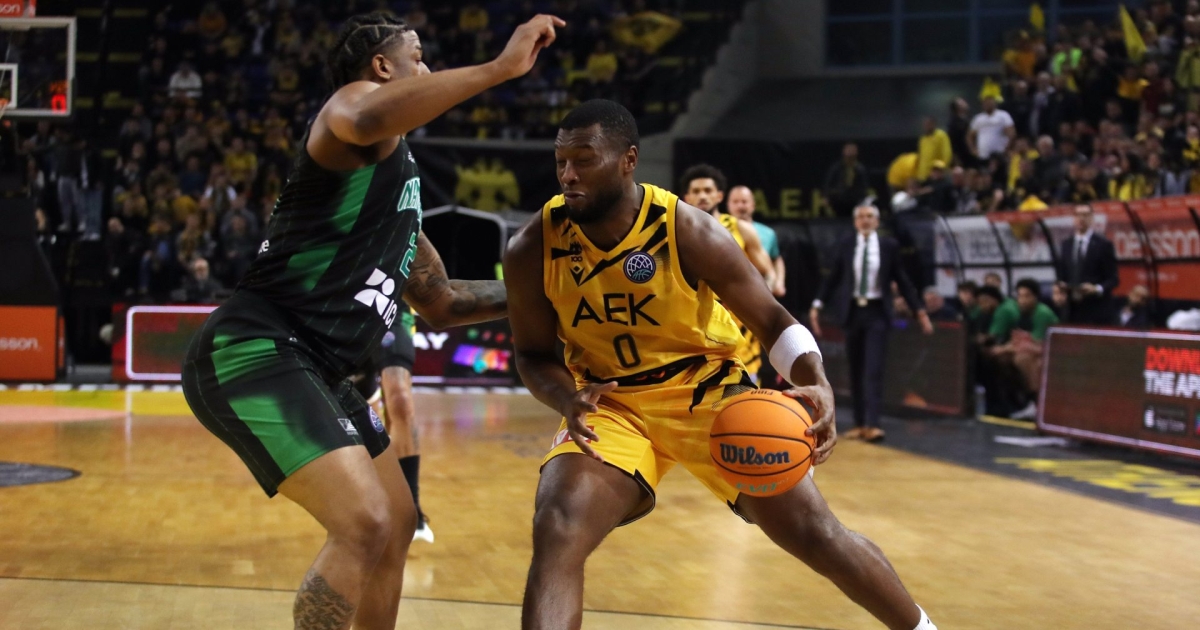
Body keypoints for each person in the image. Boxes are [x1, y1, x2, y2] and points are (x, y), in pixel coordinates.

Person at [180, 12, 559, 630]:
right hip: (255, 348)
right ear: (382, 67)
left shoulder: (398, 184)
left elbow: (441, 300)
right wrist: (498, 69)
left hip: (317, 366)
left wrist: (549, 292)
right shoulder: (349, 108)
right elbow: (364, 118)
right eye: (418, 56)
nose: (428, 69)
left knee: (397, 521)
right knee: (364, 522)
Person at [505, 99, 937, 630]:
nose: (568, 176)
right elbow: (532, 354)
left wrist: (817, 381)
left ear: (628, 160)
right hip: (609, 402)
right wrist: (565, 396)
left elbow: (772, 320)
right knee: (557, 526)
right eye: (561, 162)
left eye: (584, 160)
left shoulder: (688, 230)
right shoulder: (532, 245)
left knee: (814, 534)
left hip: (705, 391)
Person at [809, 204, 932, 442]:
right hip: (853, 311)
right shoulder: (847, 244)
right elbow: (833, 277)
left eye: (869, 217)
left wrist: (919, 311)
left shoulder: (888, 246)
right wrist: (817, 304)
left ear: (877, 221)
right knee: (855, 369)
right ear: (855, 221)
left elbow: (902, 280)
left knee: (873, 369)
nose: (865, 221)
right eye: (861, 217)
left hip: (877, 312)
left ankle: (873, 423)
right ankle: (859, 423)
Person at [679, 164, 775, 384]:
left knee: (746, 394)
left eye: (708, 190)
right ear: (686, 198)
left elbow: (768, 272)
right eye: (696, 191)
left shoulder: (742, 229)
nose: (702, 196)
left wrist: (759, 302)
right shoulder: (676, 232)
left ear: (719, 196)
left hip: (738, 326)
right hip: (695, 327)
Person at [360, 301, 434, 543]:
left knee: (400, 398)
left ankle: (411, 510)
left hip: (389, 304)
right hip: (340, 308)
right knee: (363, 414)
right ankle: (376, 503)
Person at [987, 278, 1059, 419]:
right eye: (1020, 296)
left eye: (1027, 296)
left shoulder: (1042, 313)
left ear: (1036, 297)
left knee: (1023, 359)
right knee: (1002, 359)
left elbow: (1035, 344)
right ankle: (1013, 403)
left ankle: (1037, 404)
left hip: (1055, 350)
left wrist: (1004, 349)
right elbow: (1018, 339)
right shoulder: (1021, 313)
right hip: (1037, 349)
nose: (1023, 300)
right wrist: (1003, 349)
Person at [1056, 204, 1119, 324]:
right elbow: (1062, 275)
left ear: (1091, 218)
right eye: (1077, 215)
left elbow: (1113, 279)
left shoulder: (1103, 244)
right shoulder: (1066, 244)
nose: (1081, 218)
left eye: (1085, 215)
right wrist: (1059, 290)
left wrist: (1096, 289)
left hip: (1096, 310)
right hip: (1072, 311)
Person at [727, 185, 786, 297]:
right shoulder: (720, 229)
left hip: (760, 289)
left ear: (753, 205)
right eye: (735, 202)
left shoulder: (768, 233)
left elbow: (776, 258)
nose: (740, 206)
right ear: (728, 205)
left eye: (744, 202)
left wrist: (779, 282)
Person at [823, 142, 870, 218]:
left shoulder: (860, 169)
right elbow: (828, 183)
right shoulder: (836, 168)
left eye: (852, 152)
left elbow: (864, 186)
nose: (850, 155)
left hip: (855, 200)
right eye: (848, 152)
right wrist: (826, 196)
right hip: (839, 199)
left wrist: (863, 198)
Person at [968, 95, 1015, 161]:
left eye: (990, 103)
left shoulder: (1003, 115)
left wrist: (1008, 148)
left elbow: (1011, 133)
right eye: (986, 103)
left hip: (999, 154)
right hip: (982, 154)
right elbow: (970, 136)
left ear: (995, 103)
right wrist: (972, 149)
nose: (988, 105)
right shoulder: (978, 118)